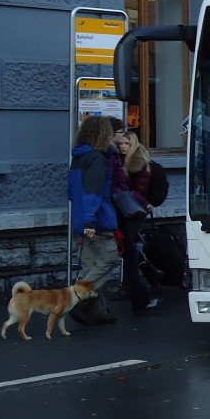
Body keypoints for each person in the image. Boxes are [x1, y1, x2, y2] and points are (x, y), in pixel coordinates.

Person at [67, 115, 120, 326]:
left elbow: (72, 192)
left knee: (90, 266)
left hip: (82, 218)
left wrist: (84, 219)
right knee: (108, 258)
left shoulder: (79, 157)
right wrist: (91, 219)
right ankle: (77, 299)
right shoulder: (96, 159)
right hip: (97, 219)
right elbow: (93, 191)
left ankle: (96, 311)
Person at [112, 130, 159, 313]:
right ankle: (151, 275)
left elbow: (137, 192)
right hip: (126, 209)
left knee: (128, 248)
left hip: (135, 211)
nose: (123, 147)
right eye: (120, 144)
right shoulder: (118, 160)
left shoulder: (137, 163)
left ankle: (138, 283)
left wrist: (144, 203)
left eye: (127, 144)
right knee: (128, 248)